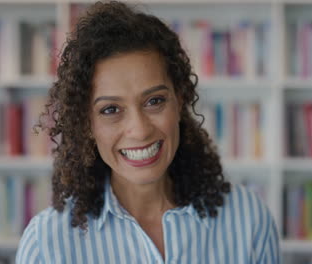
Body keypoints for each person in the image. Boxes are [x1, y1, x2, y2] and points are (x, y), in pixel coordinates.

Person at [16, 1, 280, 263]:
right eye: (110, 109)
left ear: (179, 100)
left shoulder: (249, 220)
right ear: (86, 124)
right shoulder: (46, 246)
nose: (140, 131)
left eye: (154, 101)